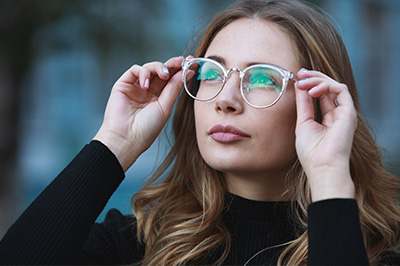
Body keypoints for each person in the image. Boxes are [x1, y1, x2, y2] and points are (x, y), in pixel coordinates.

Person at [1, 0, 399, 265]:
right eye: (212, 73)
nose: (225, 99)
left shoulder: (380, 248)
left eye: (262, 78)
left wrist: (329, 175)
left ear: (320, 102)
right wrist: (114, 144)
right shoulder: (141, 243)